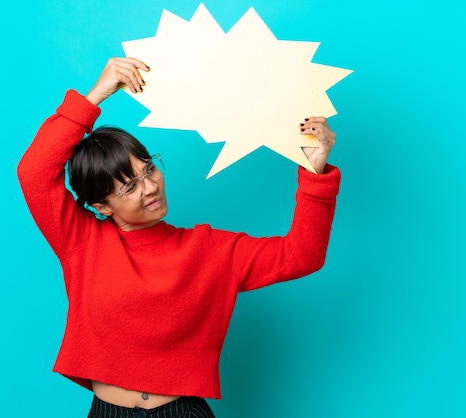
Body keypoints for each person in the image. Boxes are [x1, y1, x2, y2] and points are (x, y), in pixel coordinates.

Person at [17, 57, 341, 418]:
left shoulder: (210, 249)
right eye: (129, 186)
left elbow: (302, 255)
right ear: (102, 207)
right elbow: (33, 172)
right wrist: (95, 96)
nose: (151, 187)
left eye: (150, 169)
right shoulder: (82, 242)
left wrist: (316, 173)